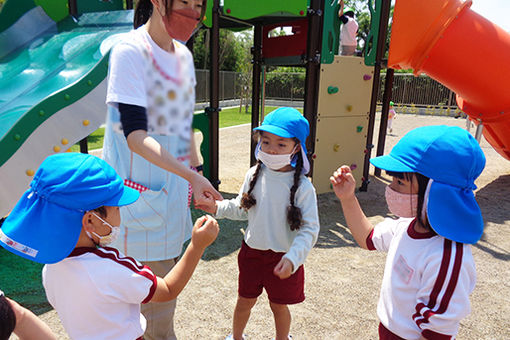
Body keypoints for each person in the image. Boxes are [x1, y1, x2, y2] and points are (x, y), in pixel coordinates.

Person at [0, 153, 219, 340]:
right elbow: (168, 290)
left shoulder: (50, 268)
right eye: (116, 209)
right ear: (91, 220)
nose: (119, 216)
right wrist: (197, 245)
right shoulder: (113, 267)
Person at [102, 0, 222, 338]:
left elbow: (179, 125)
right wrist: (192, 176)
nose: (193, 12)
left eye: (198, 5)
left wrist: (197, 172)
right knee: (149, 321)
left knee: (157, 315)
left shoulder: (181, 55)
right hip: (136, 209)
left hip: (166, 202)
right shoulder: (130, 53)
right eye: (185, 2)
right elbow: (136, 138)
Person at [330, 125, 486, 339]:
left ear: (435, 190)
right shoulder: (406, 224)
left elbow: (438, 331)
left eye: (400, 181)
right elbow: (367, 238)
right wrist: (348, 198)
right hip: (387, 330)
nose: (391, 188)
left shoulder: (447, 256)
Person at [200, 107, 320, 340]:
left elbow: (310, 229)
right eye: (266, 142)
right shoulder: (254, 174)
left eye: (281, 144)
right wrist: (217, 207)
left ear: (296, 148)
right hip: (251, 254)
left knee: (279, 307)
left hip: (284, 258)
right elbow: (241, 208)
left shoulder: (304, 188)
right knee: (244, 302)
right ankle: (236, 337)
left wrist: (293, 258)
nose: (271, 149)